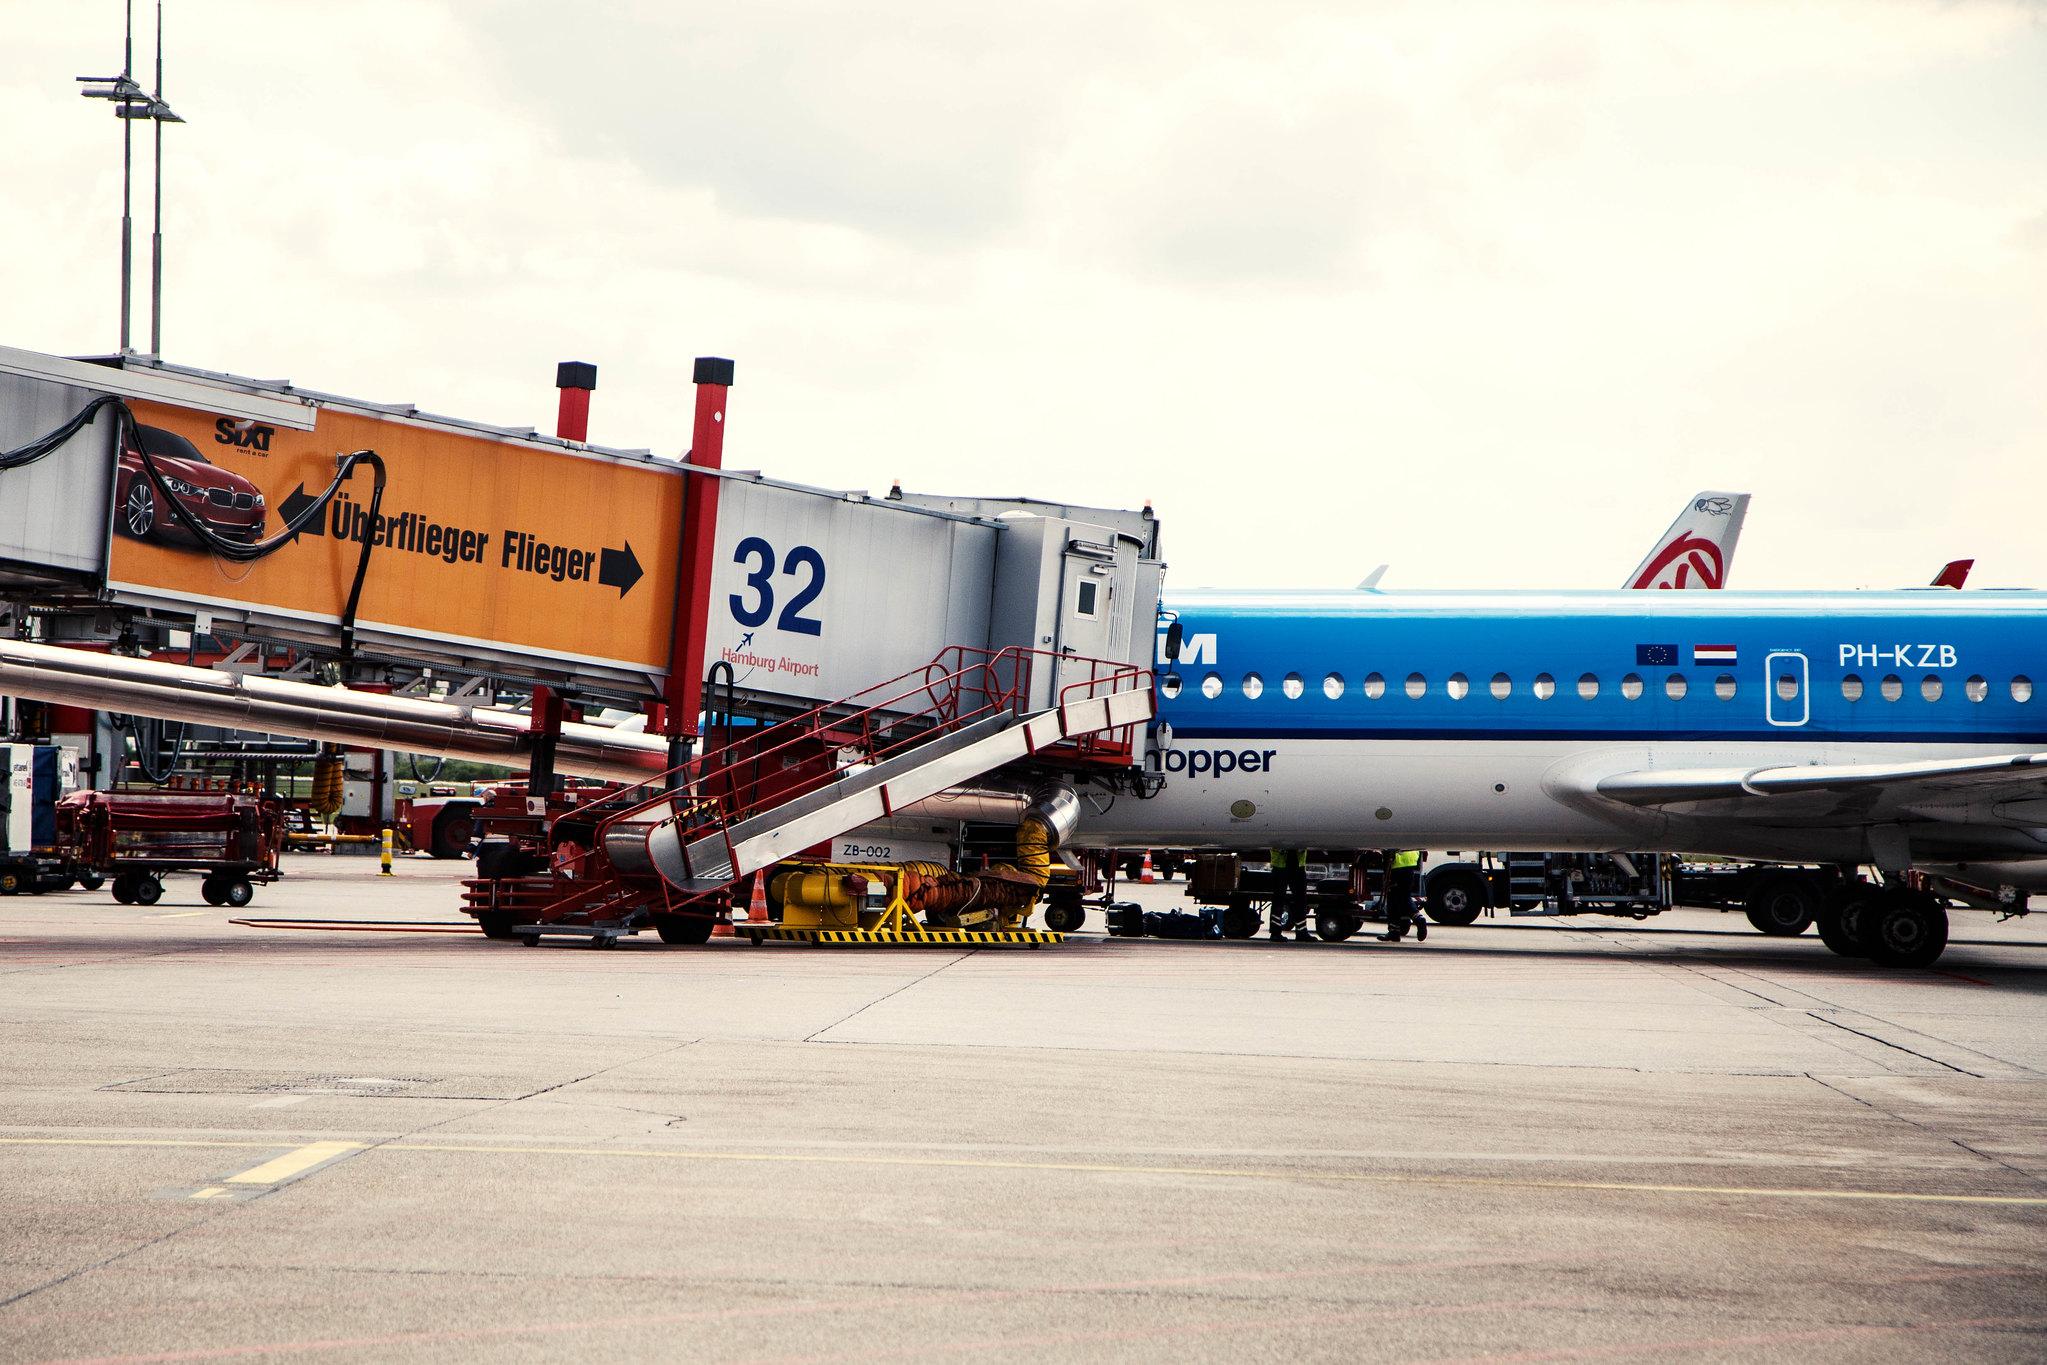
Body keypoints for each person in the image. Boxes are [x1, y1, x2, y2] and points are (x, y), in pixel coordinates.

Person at [1381, 849, 1428, 941]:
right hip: (1410, 862)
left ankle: (1418, 919)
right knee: (1402, 897)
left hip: (1396, 864)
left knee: (1394, 899)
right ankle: (1394, 932)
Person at [1268, 847, 1312, 942]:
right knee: (1279, 900)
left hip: (1294, 865)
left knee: (1300, 900)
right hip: (1282, 865)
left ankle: (1301, 932)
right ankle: (1276, 933)